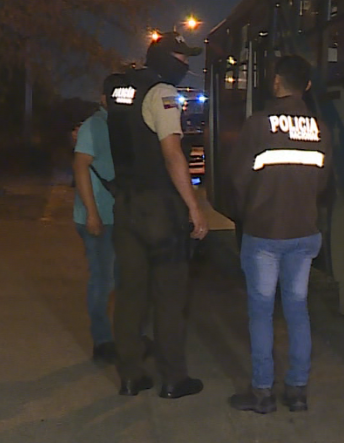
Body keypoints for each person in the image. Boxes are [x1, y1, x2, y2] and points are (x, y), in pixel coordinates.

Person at [106, 31, 209, 399]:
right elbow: (172, 155)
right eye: (181, 59)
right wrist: (195, 208)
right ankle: (173, 378)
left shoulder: (121, 90)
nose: (185, 66)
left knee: (131, 293)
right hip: (158, 209)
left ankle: (130, 375)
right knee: (169, 293)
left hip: (126, 202)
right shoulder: (163, 92)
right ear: (165, 59)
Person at [227, 55, 330, 414]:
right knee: (298, 310)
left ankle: (262, 393)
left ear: (275, 83)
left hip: (265, 233)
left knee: (261, 312)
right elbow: (324, 181)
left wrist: (249, 212)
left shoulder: (259, 124)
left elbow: (238, 178)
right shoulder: (319, 127)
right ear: (307, 87)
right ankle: (298, 391)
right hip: (304, 232)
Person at [72, 74, 122, 364]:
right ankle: (102, 342)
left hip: (114, 213)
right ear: (103, 98)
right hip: (97, 215)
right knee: (103, 280)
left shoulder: (116, 124)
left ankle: (119, 336)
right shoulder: (95, 125)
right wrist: (91, 213)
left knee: (116, 278)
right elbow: (80, 166)